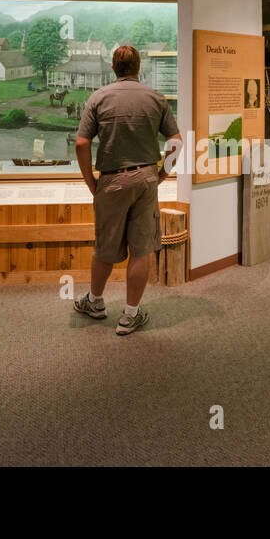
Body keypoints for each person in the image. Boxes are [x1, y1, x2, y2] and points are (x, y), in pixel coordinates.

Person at [73, 45, 181, 336]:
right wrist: (163, 173)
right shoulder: (156, 98)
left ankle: (95, 302)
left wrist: (91, 182)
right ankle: (130, 315)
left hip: (111, 180)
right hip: (146, 178)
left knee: (105, 247)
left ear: (112, 67)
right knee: (141, 249)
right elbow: (176, 141)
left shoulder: (99, 97)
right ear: (138, 67)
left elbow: (81, 144)